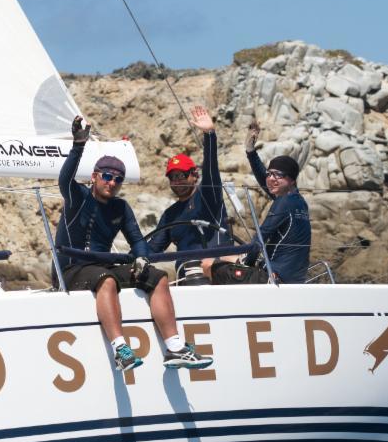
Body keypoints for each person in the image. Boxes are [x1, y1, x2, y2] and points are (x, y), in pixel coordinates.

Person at [54, 115, 213, 372]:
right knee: (106, 280)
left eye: (118, 179)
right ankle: (121, 351)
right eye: (106, 176)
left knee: (158, 276)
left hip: (100, 266)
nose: (112, 182)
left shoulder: (121, 207)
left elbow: (137, 240)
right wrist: (78, 145)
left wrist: (141, 257)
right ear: (94, 177)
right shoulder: (78, 196)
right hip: (71, 269)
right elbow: (64, 179)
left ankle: (175, 348)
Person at [148, 105, 232, 281]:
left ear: (194, 175)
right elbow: (152, 249)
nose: (176, 181)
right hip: (185, 278)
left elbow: (211, 171)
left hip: (216, 275)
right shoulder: (170, 215)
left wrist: (209, 135)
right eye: (172, 177)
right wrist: (124, 260)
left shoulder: (208, 196)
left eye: (181, 175)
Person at [242, 121, 311, 283]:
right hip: (297, 277)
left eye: (278, 175)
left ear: (291, 180)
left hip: (275, 275)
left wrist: (247, 265)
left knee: (214, 264)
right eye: (270, 174)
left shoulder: (284, 203)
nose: (272, 179)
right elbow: (264, 179)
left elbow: (260, 238)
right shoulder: (298, 201)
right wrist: (250, 152)